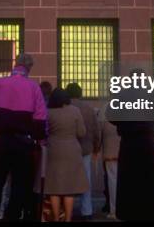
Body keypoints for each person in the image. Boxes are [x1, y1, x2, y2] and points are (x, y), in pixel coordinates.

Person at [0, 54, 48, 221]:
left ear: (15, 65)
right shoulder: (34, 87)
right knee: (19, 185)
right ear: (29, 68)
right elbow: (41, 116)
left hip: (1, 142)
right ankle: (12, 216)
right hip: (23, 144)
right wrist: (40, 139)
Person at [108, 69, 154, 222]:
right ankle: (150, 214)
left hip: (129, 144)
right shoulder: (152, 93)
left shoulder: (121, 94)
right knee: (150, 181)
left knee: (129, 182)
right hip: (148, 144)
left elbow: (111, 116)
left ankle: (130, 213)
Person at [34, 88, 88, 222]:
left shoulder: (48, 112)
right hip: (72, 150)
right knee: (69, 188)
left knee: (54, 188)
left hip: (53, 150)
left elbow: (43, 132)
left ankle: (56, 218)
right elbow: (82, 132)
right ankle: (68, 218)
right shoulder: (75, 111)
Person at [65, 82, 100, 220]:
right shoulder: (88, 108)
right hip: (85, 149)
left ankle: (66, 210)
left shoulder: (65, 107)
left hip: (67, 149)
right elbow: (96, 130)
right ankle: (87, 210)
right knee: (86, 180)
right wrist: (96, 147)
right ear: (80, 93)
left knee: (66, 180)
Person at [98, 107, 120, 219]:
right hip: (127, 150)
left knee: (112, 181)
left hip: (110, 150)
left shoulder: (105, 109)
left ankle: (114, 210)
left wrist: (96, 148)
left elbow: (99, 131)